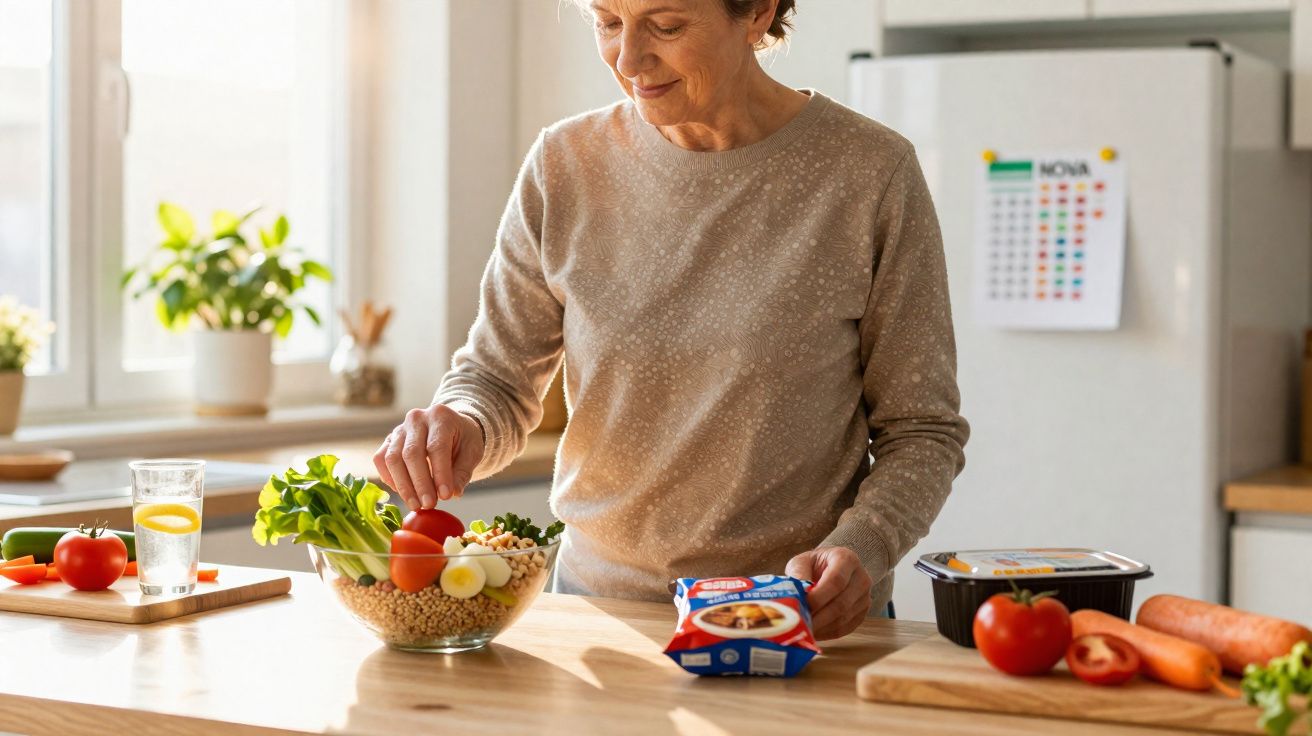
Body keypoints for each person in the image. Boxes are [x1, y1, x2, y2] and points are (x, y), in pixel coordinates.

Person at [374, 0, 969, 640]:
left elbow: (922, 429)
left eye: (667, 26)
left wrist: (865, 544)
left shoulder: (869, 172)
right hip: (600, 617)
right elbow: (494, 380)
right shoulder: (564, 165)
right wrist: (457, 426)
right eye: (607, 22)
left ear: (758, 14)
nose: (628, 59)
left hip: (795, 617)